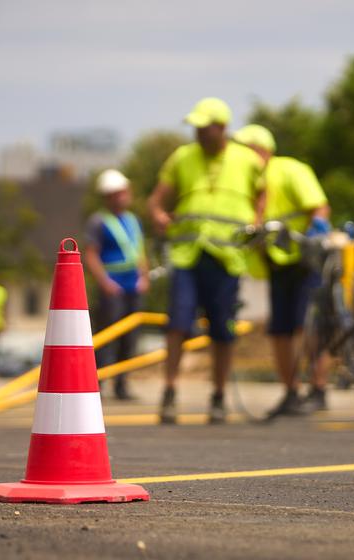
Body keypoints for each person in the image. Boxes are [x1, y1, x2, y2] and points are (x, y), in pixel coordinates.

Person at [147, 98, 266, 424]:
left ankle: (218, 396)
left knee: (222, 331)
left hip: (227, 259)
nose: (198, 133)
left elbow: (262, 193)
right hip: (188, 256)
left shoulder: (247, 159)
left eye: (205, 127)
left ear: (222, 127)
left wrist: (257, 221)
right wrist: (158, 215)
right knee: (177, 325)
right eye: (196, 127)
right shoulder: (182, 157)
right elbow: (157, 199)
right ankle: (169, 392)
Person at [233, 124, 332, 417]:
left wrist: (315, 235)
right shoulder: (248, 182)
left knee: (308, 326)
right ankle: (291, 391)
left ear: (261, 150)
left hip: (304, 261)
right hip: (275, 263)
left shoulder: (289, 169)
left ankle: (319, 388)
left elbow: (319, 207)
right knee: (280, 330)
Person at [83, 169, 150, 400]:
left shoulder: (133, 220)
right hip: (112, 285)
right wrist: (104, 282)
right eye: (118, 193)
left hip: (133, 283)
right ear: (108, 196)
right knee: (107, 334)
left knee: (129, 338)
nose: (123, 196)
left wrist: (144, 276)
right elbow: (91, 254)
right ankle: (98, 382)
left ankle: (122, 384)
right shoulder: (98, 221)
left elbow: (139, 250)